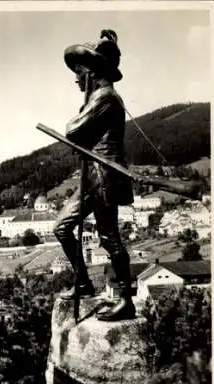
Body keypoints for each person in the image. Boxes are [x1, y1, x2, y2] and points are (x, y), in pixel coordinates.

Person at [53, 29, 135, 321]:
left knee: (109, 237)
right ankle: (84, 284)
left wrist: (82, 113)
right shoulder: (97, 97)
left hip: (105, 175)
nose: (76, 79)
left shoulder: (106, 98)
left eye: (79, 73)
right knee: (62, 227)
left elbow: (73, 130)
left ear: (90, 74)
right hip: (93, 175)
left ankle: (126, 299)